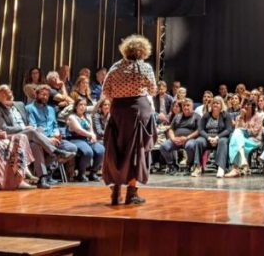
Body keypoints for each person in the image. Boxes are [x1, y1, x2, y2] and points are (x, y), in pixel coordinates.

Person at [102, 34, 157, 205]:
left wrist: (119, 97)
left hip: (118, 110)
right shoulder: (144, 68)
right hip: (138, 110)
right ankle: (131, 193)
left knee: (116, 147)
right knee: (136, 150)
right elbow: (153, 89)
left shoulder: (116, 67)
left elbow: (106, 90)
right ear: (143, 51)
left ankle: (116, 192)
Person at [0, 84, 75, 189]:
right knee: (32, 132)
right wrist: (24, 128)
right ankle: (55, 152)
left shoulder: (20, 105)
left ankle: (43, 178)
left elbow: (30, 122)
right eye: (4, 94)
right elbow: (3, 128)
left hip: (30, 135)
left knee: (35, 143)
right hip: (15, 136)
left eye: (9, 92)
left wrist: (35, 129)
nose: (8, 95)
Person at [26, 85, 78, 156]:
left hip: (54, 138)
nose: (45, 97)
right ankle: (56, 156)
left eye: (47, 95)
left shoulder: (51, 109)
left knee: (73, 148)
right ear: (36, 94)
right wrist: (48, 139)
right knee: (47, 150)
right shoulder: (29, 108)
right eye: (43, 94)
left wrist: (56, 133)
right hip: (41, 139)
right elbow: (34, 129)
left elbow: (55, 125)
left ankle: (58, 159)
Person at [190, 96, 232, 178]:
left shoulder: (226, 115)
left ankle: (221, 168)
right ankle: (198, 167)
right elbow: (201, 129)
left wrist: (217, 137)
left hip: (220, 137)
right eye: (214, 103)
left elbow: (228, 129)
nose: (215, 105)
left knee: (223, 141)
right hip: (207, 138)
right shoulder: (206, 115)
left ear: (221, 105)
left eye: (217, 103)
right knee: (199, 141)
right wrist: (208, 137)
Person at [67, 98, 105, 181]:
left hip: (87, 139)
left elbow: (91, 129)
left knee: (101, 149)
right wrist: (90, 135)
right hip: (76, 139)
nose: (83, 106)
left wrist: (93, 136)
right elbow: (79, 130)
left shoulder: (87, 116)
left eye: (84, 105)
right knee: (88, 152)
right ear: (76, 106)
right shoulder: (72, 117)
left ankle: (93, 173)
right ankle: (81, 174)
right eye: (80, 104)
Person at [159, 98, 200, 174]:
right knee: (163, 146)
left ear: (192, 106)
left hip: (189, 139)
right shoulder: (177, 116)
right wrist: (173, 138)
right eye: (184, 105)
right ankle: (172, 165)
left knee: (190, 146)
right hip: (176, 140)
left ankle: (189, 165)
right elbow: (171, 129)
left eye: (188, 105)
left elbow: (198, 130)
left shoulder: (197, 116)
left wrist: (186, 138)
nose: (186, 107)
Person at [226, 98, 264, 178]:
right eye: (244, 105)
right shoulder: (239, 117)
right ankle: (242, 160)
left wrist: (244, 130)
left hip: (254, 140)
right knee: (236, 135)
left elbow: (254, 132)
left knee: (235, 140)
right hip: (242, 140)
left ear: (253, 107)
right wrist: (241, 118)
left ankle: (235, 168)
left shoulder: (257, 117)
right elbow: (236, 130)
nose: (246, 106)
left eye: (248, 105)